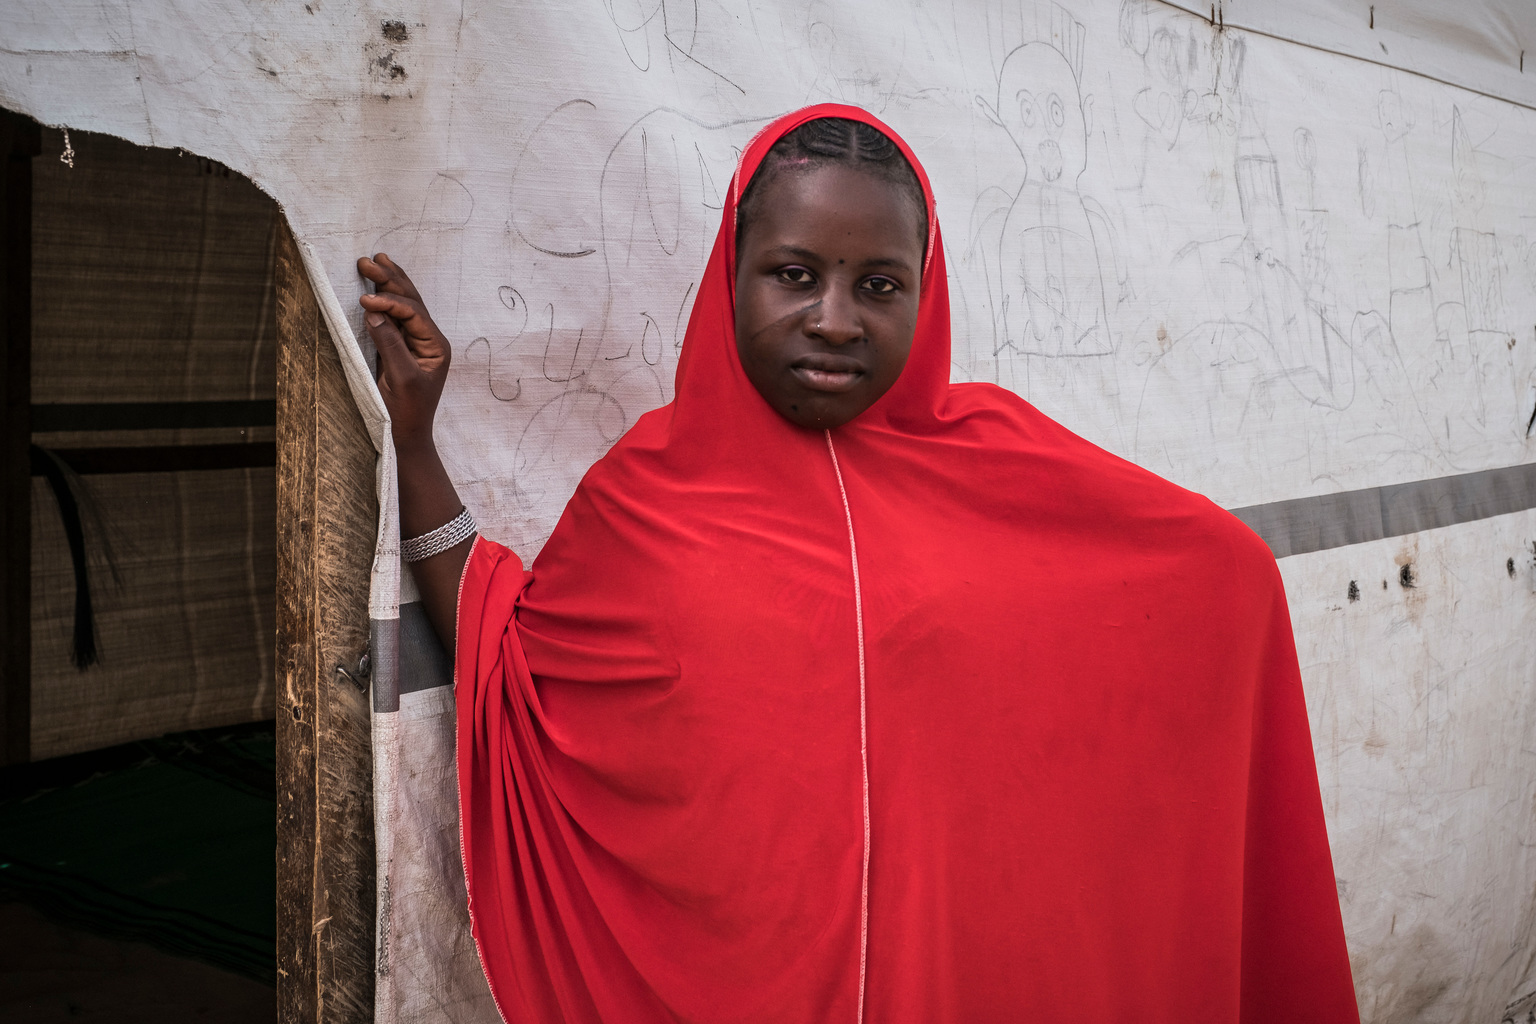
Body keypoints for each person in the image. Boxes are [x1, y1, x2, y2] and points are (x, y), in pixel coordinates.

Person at [356, 105, 1359, 1023]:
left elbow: (1208, 576)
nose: (835, 318)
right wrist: (416, 440)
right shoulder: (646, 497)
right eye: (795, 274)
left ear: (926, 292)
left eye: (879, 285)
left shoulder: (1001, 464)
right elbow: (518, 677)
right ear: (732, 272)